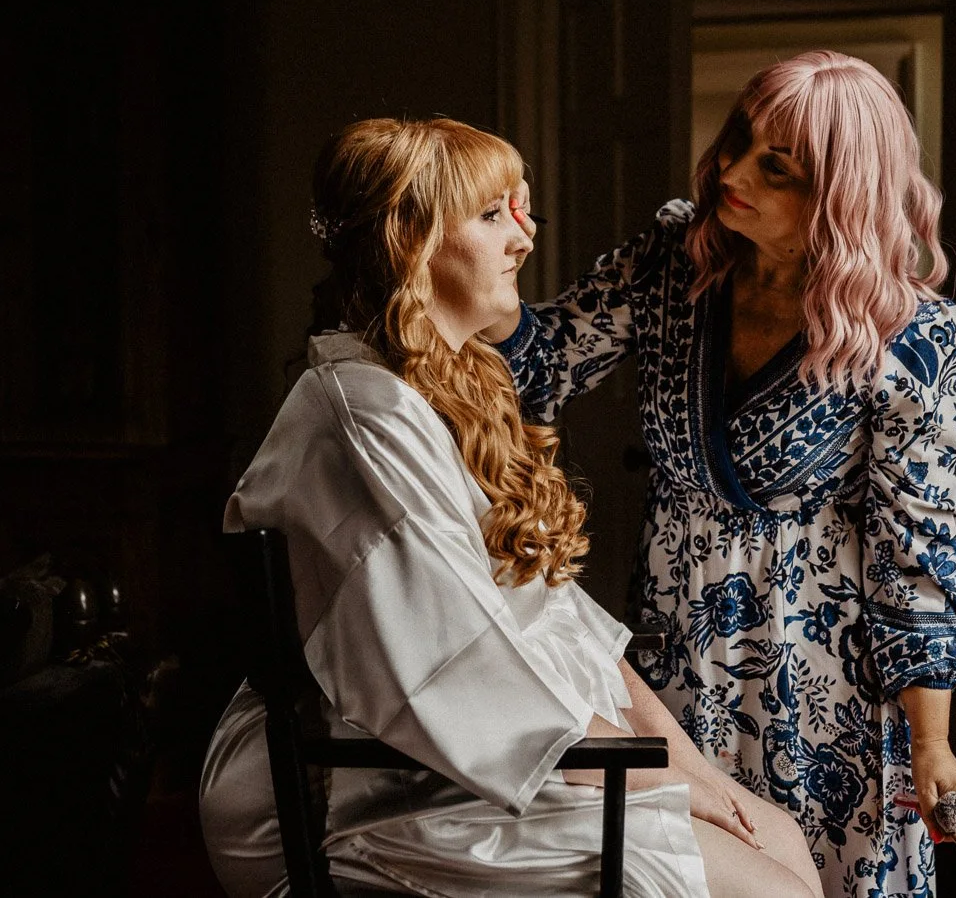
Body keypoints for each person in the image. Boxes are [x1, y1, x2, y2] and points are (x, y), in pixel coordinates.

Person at [198, 116, 824, 898]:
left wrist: (694, 770)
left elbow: (558, 622)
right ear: (412, 242)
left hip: (478, 758)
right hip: (373, 787)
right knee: (769, 889)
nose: (524, 238)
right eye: (492, 214)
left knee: (779, 835)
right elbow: (460, 661)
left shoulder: (446, 387)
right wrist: (659, 776)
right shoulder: (362, 412)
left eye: (521, 211)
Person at [487, 51, 956, 898]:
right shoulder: (672, 263)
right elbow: (539, 364)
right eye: (739, 140)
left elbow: (917, 552)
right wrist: (474, 265)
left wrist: (932, 744)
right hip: (676, 648)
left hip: (822, 680)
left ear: (840, 193)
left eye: (775, 167)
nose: (731, 170)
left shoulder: (910, 331)